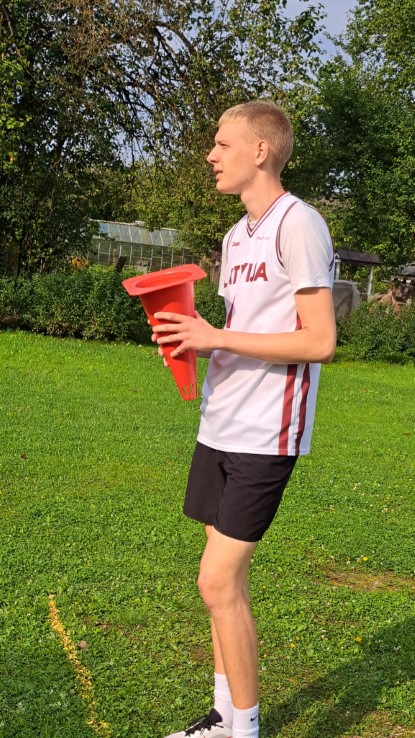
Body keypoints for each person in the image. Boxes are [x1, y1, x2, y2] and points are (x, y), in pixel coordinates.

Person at [152, 100, 336, 738]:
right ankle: (223, 717)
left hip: (266, 432)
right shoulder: (235, 237)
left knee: (216, 581)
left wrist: (217, 337)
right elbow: (242, 332)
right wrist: (194, 340)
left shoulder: (298, 223)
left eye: (222, 144)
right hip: (219, 425)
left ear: (260, 151)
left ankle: (246, 730)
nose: (211, 155)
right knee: (223, 587)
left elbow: (319, 341)